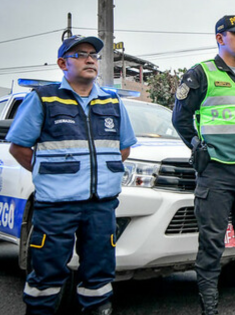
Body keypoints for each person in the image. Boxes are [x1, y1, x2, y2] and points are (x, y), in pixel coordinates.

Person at [7, 35, 137, 315]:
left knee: (99, 277)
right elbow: (19, 148)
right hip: (56, 206)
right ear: (62, 63)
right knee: (46, 276)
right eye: (80, 54)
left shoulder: (112, 101)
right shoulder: (43, 99)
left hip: (101, 205)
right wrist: (53, 174)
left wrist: (96, 172)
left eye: (93, 55)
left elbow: (123, 149)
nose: (90, 59)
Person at [171, 15, 235, 315]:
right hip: (216, 170)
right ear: (219, 38)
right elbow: (180, 118)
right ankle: (209, 309)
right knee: (212, 244)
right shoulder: (200, 74)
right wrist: (197, 146)